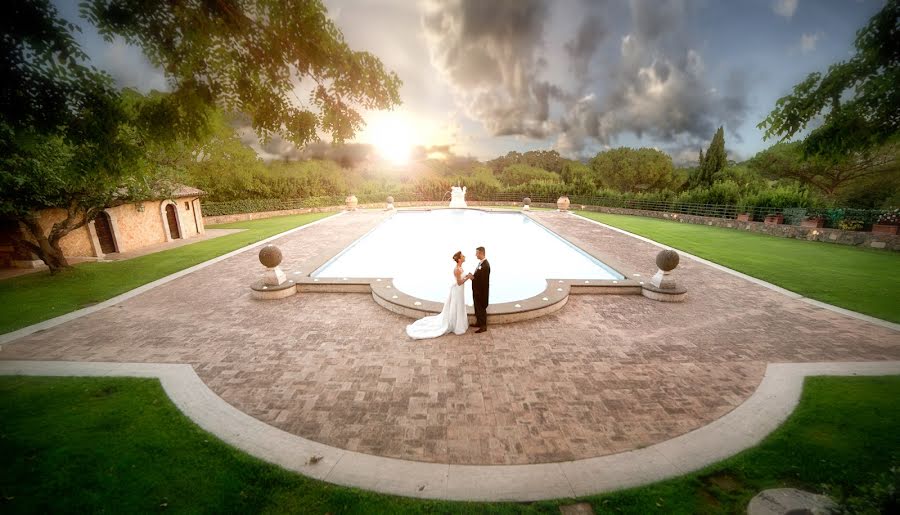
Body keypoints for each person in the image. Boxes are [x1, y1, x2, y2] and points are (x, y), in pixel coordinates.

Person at [406, 251, 470, 339]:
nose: (464, 256)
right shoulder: (457, 269)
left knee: (459, 305)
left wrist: (467, 276)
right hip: (457, 290)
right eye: (463, 256)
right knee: (457, 305)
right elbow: (459, 282)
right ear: (459, 259)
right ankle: (455, 325)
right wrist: (468, 277)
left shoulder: (460, 268)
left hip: (459, 291)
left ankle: (458, 323)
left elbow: (461, 279)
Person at [467, 246, 490, 333]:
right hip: (477, 291)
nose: (475, 255)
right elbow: (479, 277)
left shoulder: (485, 265)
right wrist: (473, 275)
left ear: (481, 253)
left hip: (481, 292)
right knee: (477, 308)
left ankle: (483, 326)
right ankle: (479, 323)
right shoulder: (481, 263)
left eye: (476, 253)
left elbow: (483, 282)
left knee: (481, 309)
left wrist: (472, 278)